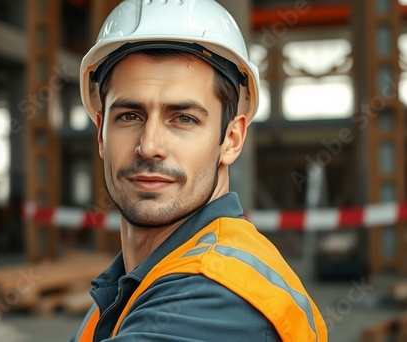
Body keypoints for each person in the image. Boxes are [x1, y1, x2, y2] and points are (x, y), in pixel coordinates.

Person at [73, 0, 328, 341]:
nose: (149, 146)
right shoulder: (135, 280)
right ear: (101, 133)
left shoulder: (214, 296)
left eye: (184, 118)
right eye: (129, 116)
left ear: (231, 140)